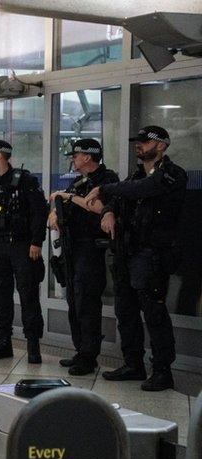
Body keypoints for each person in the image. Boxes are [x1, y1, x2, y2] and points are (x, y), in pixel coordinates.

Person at [86, 126, 188, 391]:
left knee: (154, 313)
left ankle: (163, 370)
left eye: (144, 142)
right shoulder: (134, 176)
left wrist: (104, 190)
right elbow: (122, 197)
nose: (138, 146)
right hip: (126, 251)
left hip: (152, 253)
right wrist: (108, 210)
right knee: (125, 311)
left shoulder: (172, 175)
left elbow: (143, 189)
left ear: (162, 145)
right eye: (137, 142)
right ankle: (133, 364)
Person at [0, 139, 48, 364]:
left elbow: (38, 213)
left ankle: (33, 346)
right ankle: (4, 342)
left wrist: (37, 242)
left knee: (28, 296)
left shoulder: (25, 181)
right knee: (2, 296)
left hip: (23, 246)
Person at [47, 139, 119, 375]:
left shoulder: (107, 179)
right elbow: (62, 204)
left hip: (91, 247)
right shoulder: (78, 182)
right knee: (74, 302)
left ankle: (89, 356)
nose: (72, 159)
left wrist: (68, 199)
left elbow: (97, 207)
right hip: (72, 247)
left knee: (87, 302)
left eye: (75, 155)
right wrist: (56, 212)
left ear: (87, 157)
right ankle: (80, 350)